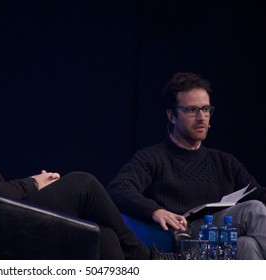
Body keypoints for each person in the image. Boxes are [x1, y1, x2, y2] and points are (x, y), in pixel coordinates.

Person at [0, 53, 173, 260]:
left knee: (103, 236)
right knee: (83, 185)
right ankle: (145, 258)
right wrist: (31, 185)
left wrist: (32, 185)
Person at [106, 72, 266, 259]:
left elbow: (258, 193)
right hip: (183, 236)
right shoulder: (153, 158)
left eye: (206, 109)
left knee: (246, 244)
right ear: (172, 115)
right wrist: (155, 211)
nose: (201, 118)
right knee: (253, 210)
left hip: (217, 240)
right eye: (192, 110)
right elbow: (118, 188)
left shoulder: (224, 162)